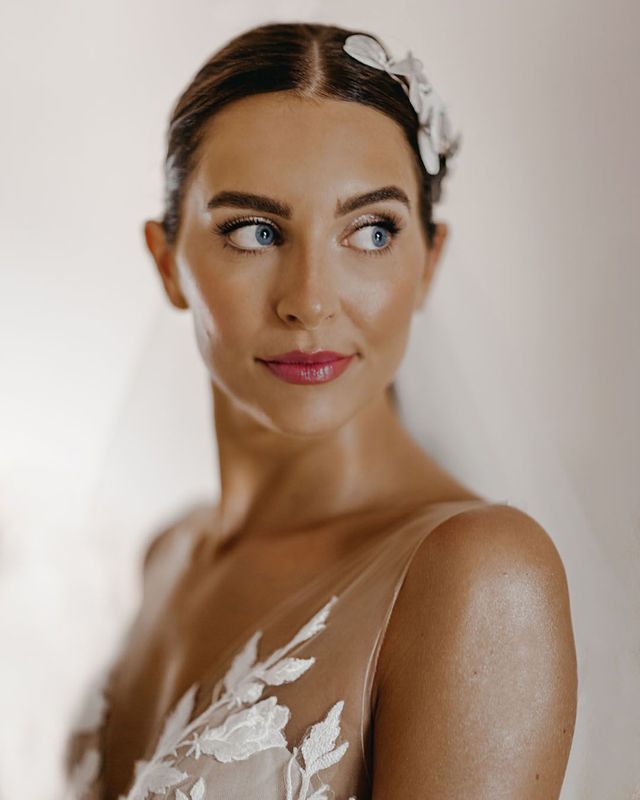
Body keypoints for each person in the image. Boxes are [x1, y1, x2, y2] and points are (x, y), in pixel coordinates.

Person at [63, 21, 578, 800]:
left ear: (429, 263)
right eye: (255, 231)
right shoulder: (166, 555)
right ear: (167, 262)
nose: (309, 301)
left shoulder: (477, 577)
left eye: (371, 231)